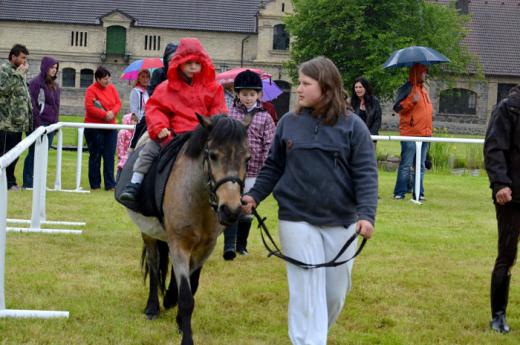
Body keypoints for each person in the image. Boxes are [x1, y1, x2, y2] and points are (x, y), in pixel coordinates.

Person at [241, 56, 378, 345]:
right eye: (299, 83)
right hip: (296, 217)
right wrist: (254, 196)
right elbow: (273, 167)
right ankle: (307, 341)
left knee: (334, 294)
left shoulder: (354, 127)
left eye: (305, 83)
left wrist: (366, 215)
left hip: (341, 221)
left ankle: (313, 336)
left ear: (326, 86)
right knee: (306, 289)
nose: (299, 89)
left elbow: (366, 174)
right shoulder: (288, 123)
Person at [120, 37, 227, 202]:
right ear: (179, 63)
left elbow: (218, 111)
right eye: (189, 62)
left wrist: (213, 129)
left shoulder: (214, 88)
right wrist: (159, 127)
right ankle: (135, 183)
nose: (193, 66)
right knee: (149, 150)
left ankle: (229, 194)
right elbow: (155, 109)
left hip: (203, 137)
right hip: (171, 136)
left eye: (197, 63)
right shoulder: (165, 87)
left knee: (226, 156)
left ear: (204, 64)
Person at [222, 70, 276, 260]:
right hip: (233, 169)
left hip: (254, 170)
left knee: (246, 208)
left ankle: (241, 245)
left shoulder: (265, 117)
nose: (247, 98)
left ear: (259, 95)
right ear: (237, 94)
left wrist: (266, 167)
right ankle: (228, 246)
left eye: (251, 94)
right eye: (244, 94)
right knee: (231, 205)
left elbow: (270, 144)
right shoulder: (230, 114)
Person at [484, 84, 520, 334]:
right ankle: (498, 315)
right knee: (506, 254)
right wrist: (500, 184)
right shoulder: (507, 108)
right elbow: (494, 148)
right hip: (512, 195)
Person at [392, 63, 432, 200]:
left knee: (420, 166)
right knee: (406, 164)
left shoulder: (424, 90)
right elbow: (397, 108)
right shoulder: (407, 88)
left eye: (425, 73)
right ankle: (399, 192)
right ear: (416, 73)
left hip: (425, 134)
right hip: (410, 133)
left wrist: (429, 132)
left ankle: (418, 193)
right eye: (423, 72)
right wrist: (411, 101)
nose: (425, 75)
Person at [129, 43, 178, 151]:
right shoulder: (159, 73)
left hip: (178, 112)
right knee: (143, 122)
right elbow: (152, 93)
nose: (174, 62)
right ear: (166, 60)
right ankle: (133, 147)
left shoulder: (183, 75)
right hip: (161, 109)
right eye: (171, 59)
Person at [23, 56, 60, 189]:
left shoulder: (55, 86)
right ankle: (28, 183)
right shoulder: (35, 83)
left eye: (56, 68)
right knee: (34, 153)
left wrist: (55, 124)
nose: (54, 70)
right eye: (51, 67)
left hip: (50, 126)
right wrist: (37, 125)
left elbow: (56, 106)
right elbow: (32, 105)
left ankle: (38, 182)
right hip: (38, 125)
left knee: (43, 155)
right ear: (45, 67)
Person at [0, 44, 32, 191]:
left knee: (15, 154)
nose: (25, 61)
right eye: (22, 57)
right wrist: (19, 74)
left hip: (18, 123)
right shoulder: (4, 70)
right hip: (6, 123)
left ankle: (10, 181)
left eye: (26, 57)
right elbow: (4, 90)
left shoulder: (18, 72)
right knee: (5, 155)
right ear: (13, 57)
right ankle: (7, 182)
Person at [83, 66, 121, 191]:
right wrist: (104, 115)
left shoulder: (111, 88)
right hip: (94, 127)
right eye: (105, 79)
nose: (108, 81)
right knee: (95, 155)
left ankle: (110, 184)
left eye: (108, 78)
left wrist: (112, 113)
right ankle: (95, 185)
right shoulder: (90, 90)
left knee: (109, 155)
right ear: (98, 79)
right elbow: (89, 107)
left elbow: (118, 103)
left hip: (110, 127)